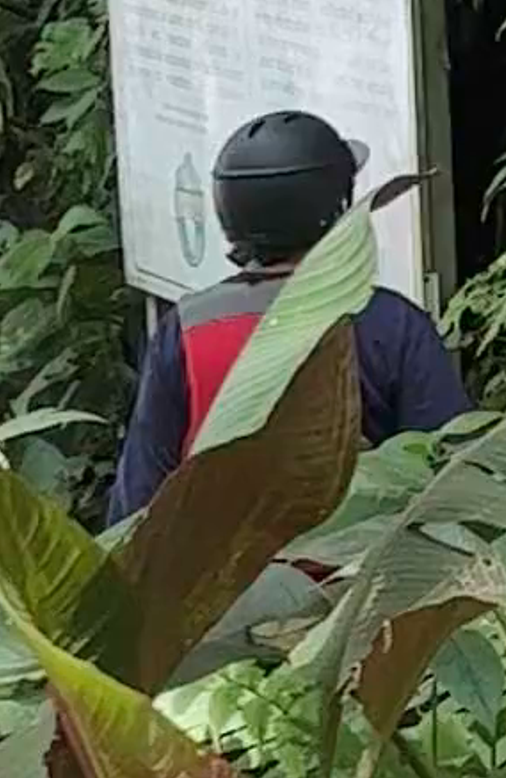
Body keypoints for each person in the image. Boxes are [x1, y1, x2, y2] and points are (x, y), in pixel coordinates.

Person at [105, 108, 467, 523]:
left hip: (219, 580)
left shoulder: (187, 329)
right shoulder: (390, 324)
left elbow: (138, 498)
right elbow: (449, 470)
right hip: (357, 576)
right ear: (337, 208)